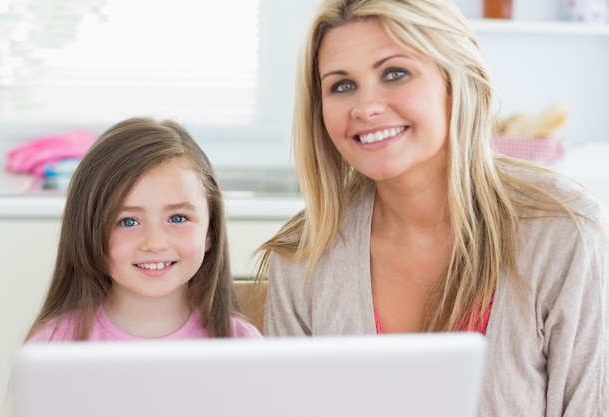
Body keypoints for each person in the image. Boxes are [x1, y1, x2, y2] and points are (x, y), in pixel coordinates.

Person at [254, 0, 609, 415]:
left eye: (395, 73)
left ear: (457, 80)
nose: (365, 107)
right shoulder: (302, 257)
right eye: (342, 85)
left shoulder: (561, 231)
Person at [26, 117, 261, 341]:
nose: (155, 243)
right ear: (89, 233)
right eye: (129, 221)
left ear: (211, 232)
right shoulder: (54, 345)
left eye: (178, 218)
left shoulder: (241, 343)